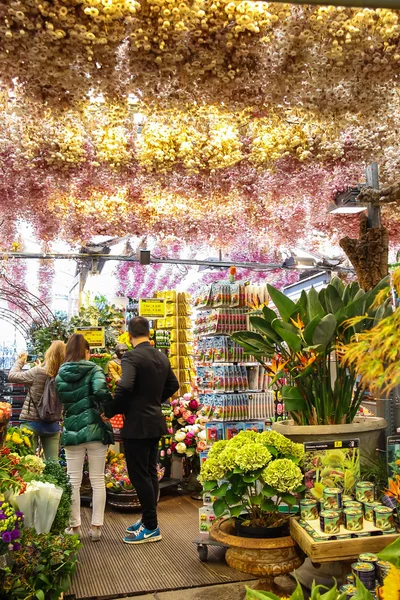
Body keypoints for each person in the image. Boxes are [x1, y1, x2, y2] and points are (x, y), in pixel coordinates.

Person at [104, 316, 179, 544]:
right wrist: (155, 400)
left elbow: (125, 386)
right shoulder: (161, 355)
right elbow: (174, 385)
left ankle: (152, 527)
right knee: (148, 472)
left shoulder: (132, 356)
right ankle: (148, 520)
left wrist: (112, 410)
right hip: (155, 421)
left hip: (137, 424)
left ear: (129, 334)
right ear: (149, 332)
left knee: (139, 475)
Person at [56, 334, 114, 541]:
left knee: (73, 480)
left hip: (72, 429)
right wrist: (108, 410)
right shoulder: (94, 369)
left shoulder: (60, 373)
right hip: (95, 428)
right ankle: (96, 528)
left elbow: (63, 399)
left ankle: (75, 528)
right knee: (98, 479)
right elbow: (100, 390)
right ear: (86, 351)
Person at [8, 341, 66, 460]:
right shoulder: (64, 375)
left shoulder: (38, 372)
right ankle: (54, 479)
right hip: (52, 423)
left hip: (31, 422)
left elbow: (12, 376)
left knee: (27, 462)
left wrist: (21, 361)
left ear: (48, 354)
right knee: (53, 463)